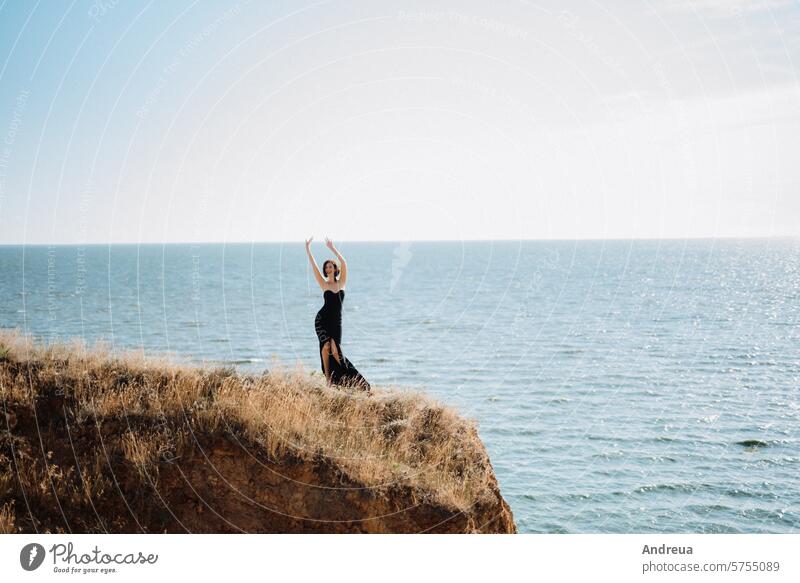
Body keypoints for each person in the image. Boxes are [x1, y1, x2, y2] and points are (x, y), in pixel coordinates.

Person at [305, 236, 371, 392]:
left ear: (335, 268)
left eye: (330, 266)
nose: (328, 269)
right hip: (322, 320)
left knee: (336, 351)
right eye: (326, 267)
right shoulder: (324, 284)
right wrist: (308, 249)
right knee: (326, 347)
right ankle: (328, 379)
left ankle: (352, 379)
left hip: (336, 323)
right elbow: (314, 266)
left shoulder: (342, 282)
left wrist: (332, 248)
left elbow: (345, 263)